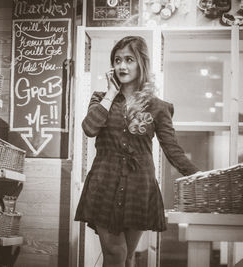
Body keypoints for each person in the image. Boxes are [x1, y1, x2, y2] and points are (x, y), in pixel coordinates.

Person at [74, 36, 200, 267]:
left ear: (141, 63)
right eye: (118, 60)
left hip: (139, 186)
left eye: (129, 59)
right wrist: (111, 94)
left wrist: (198, 176)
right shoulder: (100, 99)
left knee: (127, 257)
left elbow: (172, 149)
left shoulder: (158, 107)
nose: (122, 66)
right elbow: (89, 129)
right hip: (104, 182)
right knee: (116, 253)